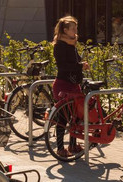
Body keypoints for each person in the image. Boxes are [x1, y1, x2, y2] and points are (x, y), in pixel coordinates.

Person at [51, 15, 90, 159]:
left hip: (74, 84)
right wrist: (79, 66)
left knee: (76, 117)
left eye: (76, 28)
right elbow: (63, 66)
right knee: (62, 118)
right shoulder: (59, 46)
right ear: (65, 30)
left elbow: (76, 61)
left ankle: (72, 145)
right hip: (63, 84)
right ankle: (60, 148)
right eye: (73, 28)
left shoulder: (72, 44)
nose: (75, 31)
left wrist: (82, 64)